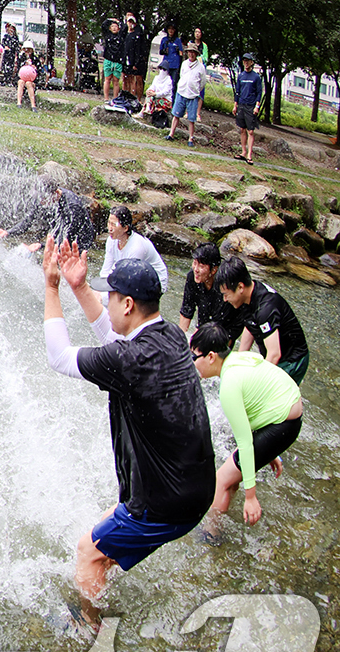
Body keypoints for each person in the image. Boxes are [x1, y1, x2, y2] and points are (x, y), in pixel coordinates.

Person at [42, 244, 215, 628]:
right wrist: (79, 287)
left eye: (110, 296)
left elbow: (58, 357)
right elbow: (114, 340)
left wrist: (52, 287)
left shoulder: (130, 359)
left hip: (167, 502)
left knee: (88, 550)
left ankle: (88, 626)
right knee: (105, 527)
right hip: (195, 487)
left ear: (128, 304)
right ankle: (106, 575)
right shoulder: (169, 334)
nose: (106, 299)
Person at [190, 322, 303, 537]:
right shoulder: (238, 358)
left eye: (195, 357)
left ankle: (211, 535)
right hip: (286, 418)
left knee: (221, 480)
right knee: (232, 475)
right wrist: (269, 448)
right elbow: (260, 397)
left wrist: (251, 496)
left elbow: (244, 442)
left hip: (283, 423)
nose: (192, 363)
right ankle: (219, 525)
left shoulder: (229, 386)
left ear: (211, 357)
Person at [216, 257, 310, 384]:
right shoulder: (247, 296)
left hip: (292, 359)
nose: (225, 299)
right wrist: (238, 362)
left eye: (226, 294)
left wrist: (259, 384)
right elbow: (249, 325)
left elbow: (274, 354)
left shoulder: (266, 308)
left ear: (240, 287)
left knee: (269, 397)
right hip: (277, 352)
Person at [0, 179, 96, 251]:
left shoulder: (72, 206)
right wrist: (8, 232)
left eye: (43, 199)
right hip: (62, 232)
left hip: (79, 239)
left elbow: (66, 239)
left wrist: (40, 245)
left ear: (56, 193)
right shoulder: (43, 195)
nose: (41, 202)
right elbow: (28, 221)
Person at [176, 242, 245, 341]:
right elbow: (187, 308)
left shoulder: (224, 287)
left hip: (228, 326)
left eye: (201, 266)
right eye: (195, 263)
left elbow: (217, 325)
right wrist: (179, 340)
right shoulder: (193, 277)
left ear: (214, 270)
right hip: (209, 320)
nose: (196, 269)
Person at [100, 206, 167, 295]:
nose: (110, 228)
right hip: (134, 277)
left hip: (155, 283)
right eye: (109, 223)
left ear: (125, 228)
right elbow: (106, 271)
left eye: (114, 224)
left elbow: (127, 279)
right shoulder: (111, 240)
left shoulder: (137, 247)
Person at [166, 42, 205, 146]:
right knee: (176, 114)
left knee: (191, 119)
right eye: (189, 52)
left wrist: (195, 89)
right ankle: (171, 133)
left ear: (196, 54)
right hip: (181, 92)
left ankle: (190, 138)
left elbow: (202, 83)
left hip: (192, 95)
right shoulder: (184, 64)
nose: (191, 54)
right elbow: (182, 75)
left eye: (193, 52)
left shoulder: (201, 67)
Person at [233, 53, 263, 165]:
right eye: (244, 61)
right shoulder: (241, 76)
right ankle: (243, 152)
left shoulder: (256, 77)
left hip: (251, 106)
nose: (246, 63)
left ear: (252, 62)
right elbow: (237, 92)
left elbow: (259, 92)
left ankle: (250, 155)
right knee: (242, 129)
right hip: (241, 105)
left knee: (251, 131)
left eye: (248, 61)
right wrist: (235, 105)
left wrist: (257, 106)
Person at [122, 13, 149, 100]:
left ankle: (135, 98)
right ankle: (125, 96)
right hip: (126, 60)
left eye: (132, 22)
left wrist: (136, 63)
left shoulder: (138, 35)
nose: (130, 24)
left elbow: (138, 50)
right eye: (129, 22)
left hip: (135, 61)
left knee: (135, 80)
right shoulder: (125, 34)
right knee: (126, 79)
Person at [158, 23, 184, 101]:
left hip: (175, 64)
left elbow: (181, 53)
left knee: (173, 84)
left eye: (172, 29)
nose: (171, 30)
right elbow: (160, 51)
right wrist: (164, 51)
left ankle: (172, 101)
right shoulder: (164, 39)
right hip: (166, 64)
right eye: (169, 29)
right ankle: (161, 100)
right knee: (163, 81)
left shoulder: (177, 40)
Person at [101, 17, 124, 101]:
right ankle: (106, 98)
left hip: (117, 61)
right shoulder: (107, 35)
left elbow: (124, 28)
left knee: (116, 81)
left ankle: (115, 98)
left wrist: (119, 22)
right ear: (110, 28)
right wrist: (110, 19)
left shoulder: (121, 36)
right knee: (107, 79)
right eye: (112, 26)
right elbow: (103, 25)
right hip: (108, 59)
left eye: (116, 26)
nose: (114, 28)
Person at [15, 40, 42, 111]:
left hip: (32, 80)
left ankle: (33, 105)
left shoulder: (35, 59)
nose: (27, 51)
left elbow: (39, 72)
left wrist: (34, 68)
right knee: (21, 82)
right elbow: (18, 70)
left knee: (28, 83)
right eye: (26, 49)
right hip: (22, 78)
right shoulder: (21, 58)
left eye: (29, 49)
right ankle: (19, 103)